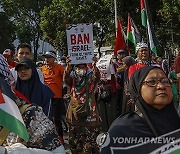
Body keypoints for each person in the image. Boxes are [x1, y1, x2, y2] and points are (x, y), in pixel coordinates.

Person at [100, 66, 180, 153]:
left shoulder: (176, 121)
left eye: (165, 81)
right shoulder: (123, 131)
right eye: (151, 82)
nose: (161, 86)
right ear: (137, 89)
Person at [0, 54, 65, 154]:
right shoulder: (16, 91)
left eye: (26, 69)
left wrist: (11, 151)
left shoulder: (42, 96)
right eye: (20, 69)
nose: (22, 71)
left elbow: (45, 117)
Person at [64, 57, 100, 154]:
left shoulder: (91, 76)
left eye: (83, 66)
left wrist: (94, 64)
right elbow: (66, 80)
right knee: (75, 140)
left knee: (91, 140)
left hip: (89, 112)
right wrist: (68, 66)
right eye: (78, 67)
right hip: (75, 112)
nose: (81, 69)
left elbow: (97, 77)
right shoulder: (72, 78)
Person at [41, 50, 65, 144]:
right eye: (45, 57)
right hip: (46, 97)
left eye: (49, 57)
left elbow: (66, 77)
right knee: (46, 118)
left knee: (56, 119)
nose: (46, 59)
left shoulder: (59, 67)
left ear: (54, 58)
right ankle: (48, 137)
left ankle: (61, 139)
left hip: (57, 97)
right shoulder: (42, 68)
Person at [113, 50, 126, 116]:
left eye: (123, 54)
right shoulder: (114, 64)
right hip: (117, 86)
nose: (121, 55)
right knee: (117, 103)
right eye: (120, 54)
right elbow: (116, 71)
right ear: (117, 55)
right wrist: (124, 67)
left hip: (125, 85)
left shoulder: (126, 62)